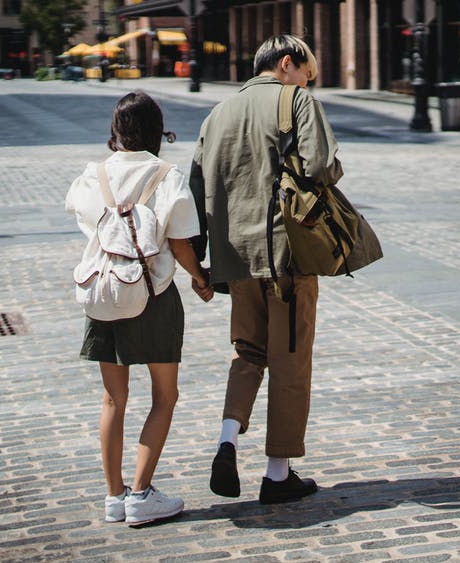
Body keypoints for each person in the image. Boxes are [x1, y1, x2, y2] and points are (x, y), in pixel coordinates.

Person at [189, 34, 341, 505]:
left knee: (248, 352)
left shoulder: (216, 115)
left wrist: (198, 266)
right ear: (288, 63)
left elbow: (194, 191)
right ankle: (278, 473)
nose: (306, 82)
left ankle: (227, 441)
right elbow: (320, 164)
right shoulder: (295, 100)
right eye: (305, 73)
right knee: (291, 359)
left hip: (235, 259)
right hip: (285, 254)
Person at [66, 91, 215, 525]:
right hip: (151, 294)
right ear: (157, 131)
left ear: (115, 131)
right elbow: (181, 242)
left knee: (113, 398)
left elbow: (82, 220)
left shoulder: (93, 175)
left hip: (103, 291)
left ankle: (115, 496)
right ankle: (142, 494)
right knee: (165, 396)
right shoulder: (165, 175)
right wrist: (199, 278)